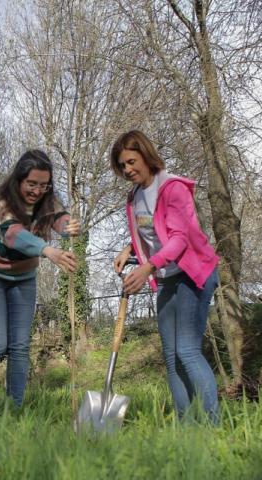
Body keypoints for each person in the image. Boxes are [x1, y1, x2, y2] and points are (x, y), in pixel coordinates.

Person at [110, 130, 221, 424]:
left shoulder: (172, 189)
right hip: (169, 276)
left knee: (186, 349)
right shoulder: (133, 197)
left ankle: (213, 426)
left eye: (132, 162)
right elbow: (151, 231)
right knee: (171, 359)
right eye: (122, 166)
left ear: (146, 156)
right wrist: (129, 249)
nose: (128, 170)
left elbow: (179, 238)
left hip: (194, 273)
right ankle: (187, 429)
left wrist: (148, 267)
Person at [0, 149, 81, 409]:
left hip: (23, 278)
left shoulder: (48, 200)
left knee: (20, 346)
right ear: (19, 180)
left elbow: (58, 218)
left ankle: (14, 409)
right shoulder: (2, 201)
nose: (37, 191)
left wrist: (68, 225)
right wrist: (48, 250)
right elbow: (14, 235)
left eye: (44, 185)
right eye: (32, 184)